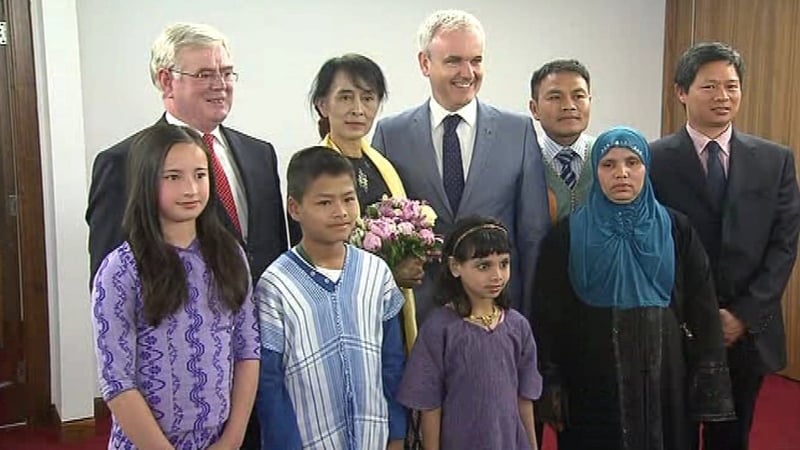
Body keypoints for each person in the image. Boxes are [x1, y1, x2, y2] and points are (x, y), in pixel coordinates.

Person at [533, 126, 734, 450]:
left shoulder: (676, 229)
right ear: (595, 170)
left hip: (667, 377)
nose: (621, 173)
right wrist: (551, 382)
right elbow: (547, 315)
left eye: (632, 162)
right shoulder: (566, 236)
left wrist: (708, 379)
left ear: (646, 169)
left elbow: (703, 309)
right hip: (590, 379)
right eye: (608, 164)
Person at [649, 42, 800, 450]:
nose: (723, 96)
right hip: (676, 326)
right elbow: (648, 244)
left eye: (731, 87)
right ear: (681, 92)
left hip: (748, 331)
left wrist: (741, 315)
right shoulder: (652, 159)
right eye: (710, 86)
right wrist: (691, 314)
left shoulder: (775, 160)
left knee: (732, 437)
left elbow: (784, 245)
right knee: (673, 434)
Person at [372, 9, 550, 322]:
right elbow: (378, 232)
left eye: (476, 60)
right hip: (418, 314)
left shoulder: (518, 131)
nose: (467, 72)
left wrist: (529, 316)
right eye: (454, 60)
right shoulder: (391, 134)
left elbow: (533, 234)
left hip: (497, 312)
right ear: (425, 63)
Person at [90, 124, 260, 449]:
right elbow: (117, 381)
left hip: (219, 440)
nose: (191, 189)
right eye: (173, 177)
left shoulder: (229, 254)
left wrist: (233, 439)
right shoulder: (121, 269)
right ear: (146, 182)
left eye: (199, 174)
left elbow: (247, 349)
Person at [256, 146, 407, 450]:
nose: (341, 212)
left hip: (374, 436)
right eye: (325, 202)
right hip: (308, 438)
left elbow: (393, 362)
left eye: (348, 199)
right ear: (295, 208)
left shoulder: (376, 274)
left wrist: (397, 432)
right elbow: (269, 385)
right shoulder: (275, 286)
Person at [309, 53, 427, 351]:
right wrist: (389, 273)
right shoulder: (313, 169)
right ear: (323, 104)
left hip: (391, 310)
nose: (358, 109)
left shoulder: (383, 166)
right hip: (340, 311)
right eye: (345, 97)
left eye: (368, 98)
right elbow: (315, 250)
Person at [398, 216, 542, 450]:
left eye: (504, 264)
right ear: (456, 267)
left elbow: (525, 400)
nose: (497, 275)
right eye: (484, 266)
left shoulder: (518, 326)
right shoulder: (439, 329)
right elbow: (429, 406)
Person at [529, 59, 595, 223]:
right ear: (534, 109)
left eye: (578, 96)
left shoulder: (607, 157)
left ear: (589, 102)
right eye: (555, 97)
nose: (569, 106)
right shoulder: (522, 161)